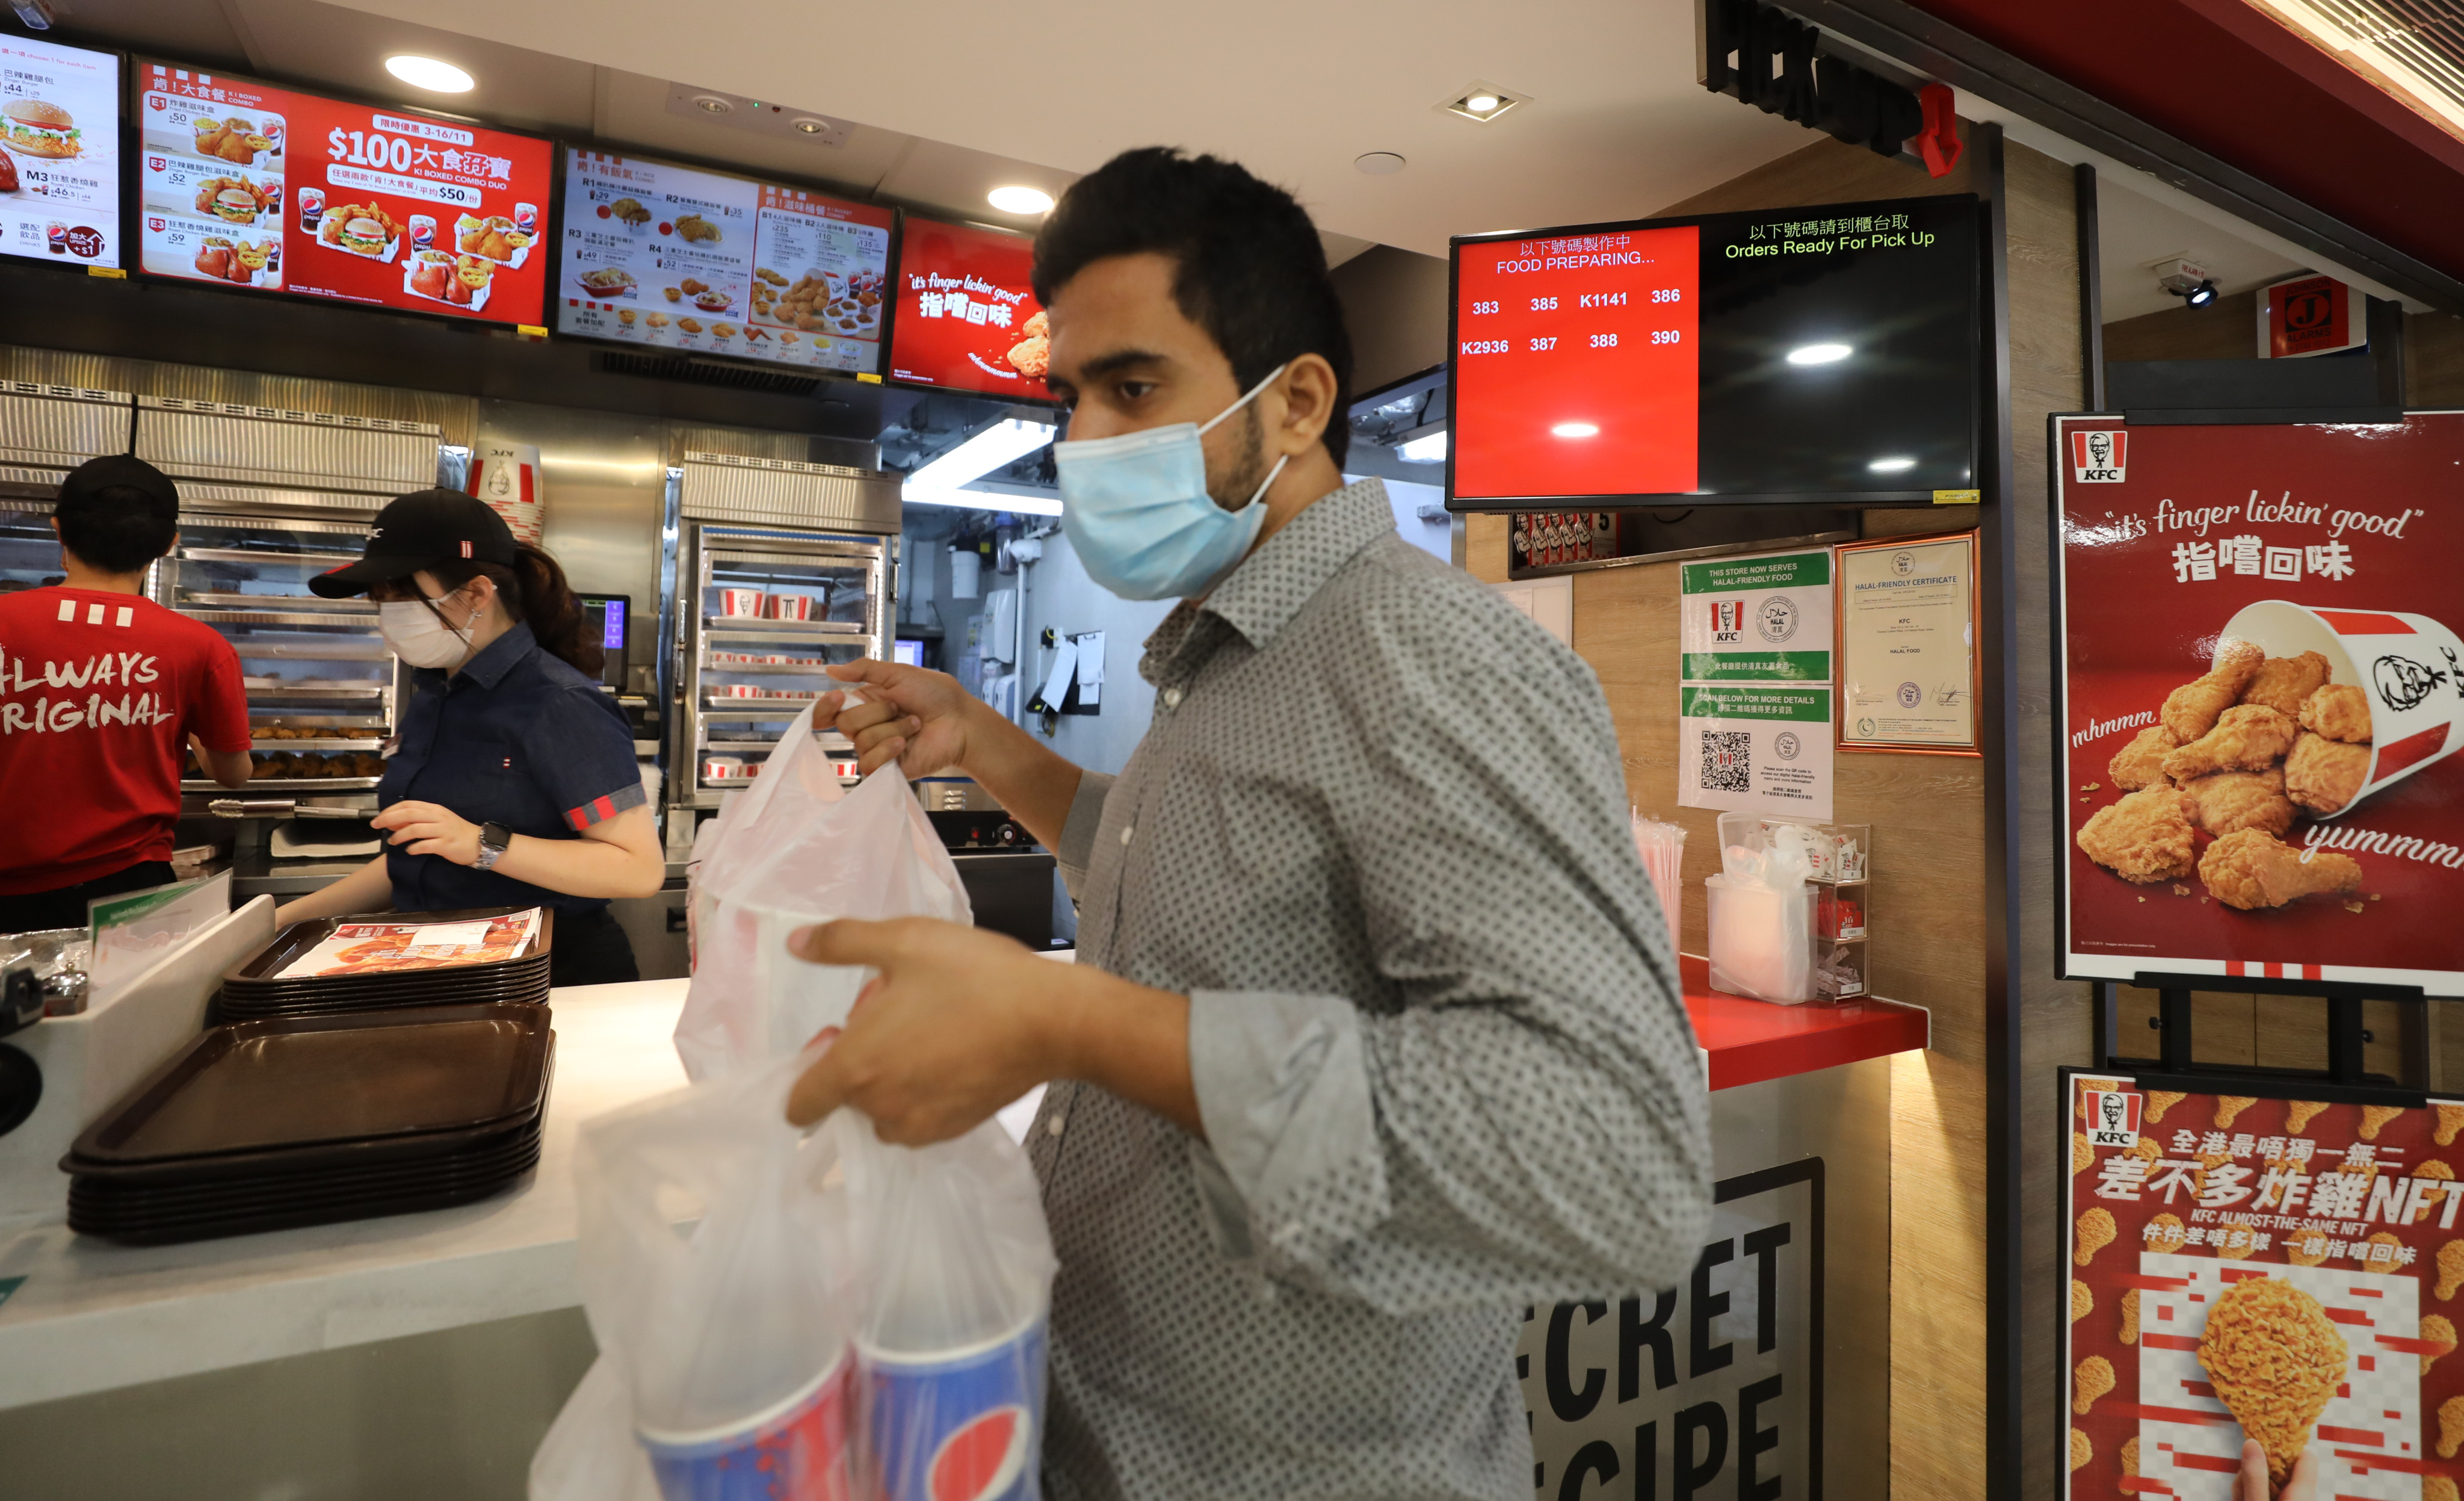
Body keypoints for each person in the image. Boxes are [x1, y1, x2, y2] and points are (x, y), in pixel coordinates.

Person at [785, 148, 1712, 1499]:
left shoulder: (1426, 657)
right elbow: (1178, 869)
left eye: (1135, 387)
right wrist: (977, 740)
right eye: (1070, 395)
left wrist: (1066, 1022)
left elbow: (1614, 1155)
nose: (1084, 439)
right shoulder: (1230, 651)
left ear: (1296, 402)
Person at [272, 490, 661, 985]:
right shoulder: (437, 692)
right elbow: (415, 856)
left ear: (477, 594)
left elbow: (638, 869)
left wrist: (483, 845)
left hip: (551, 977)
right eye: (381, 603)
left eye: (402, 599)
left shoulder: (559, 702)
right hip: (449, 967)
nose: (388, 618)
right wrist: (279, 922)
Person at [0, 454, 252, 933]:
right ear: (170, 544)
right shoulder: (200, 647)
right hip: (126, 891)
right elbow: (233, 774)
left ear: (58, 530)